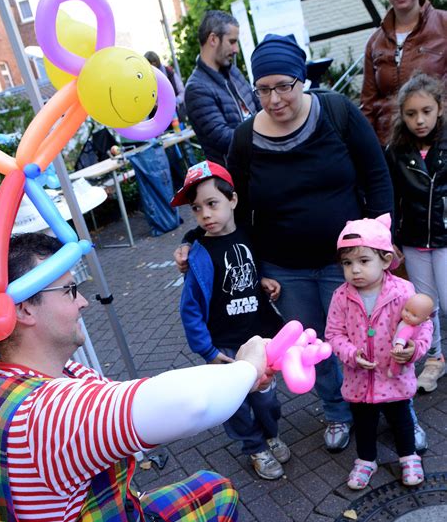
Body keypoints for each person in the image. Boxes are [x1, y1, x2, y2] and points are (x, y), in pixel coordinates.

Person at [0, 234, 272, 522]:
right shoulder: (44, 415)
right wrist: (248, 367)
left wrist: (231, 378)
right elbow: (192, 404)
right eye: (70, 290)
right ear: (23, 309)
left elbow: (124, 400)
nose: (84, 303)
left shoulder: (0, 379)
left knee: (214, 492)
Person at [175, 33, 394, 452]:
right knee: (316, 345)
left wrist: (383, 240)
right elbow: (230, 203)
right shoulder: (244, 139)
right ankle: (336, 411)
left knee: (366, 337)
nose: (273, 99)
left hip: (348, 262)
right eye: (262, 89)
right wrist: (193, 240)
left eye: (283, 86)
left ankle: (390, 408)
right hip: (285, 268)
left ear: (302, 79)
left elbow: (377, 175)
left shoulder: (337, 112)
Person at [172, 160, 288, 480]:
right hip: (224, 345)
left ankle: (271, 433)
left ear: (232, 200)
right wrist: (207, 352)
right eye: (197, 208)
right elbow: (190, 308)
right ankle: (254, 448)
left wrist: (264, 281)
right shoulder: (198, 254)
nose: (205, 214)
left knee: (267, 399)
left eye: (212, 204)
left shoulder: (248, 234)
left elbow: (249, 270)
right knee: (235, 406)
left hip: (258, 339)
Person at [325, 214, 432, 490]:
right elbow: (334, 334)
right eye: (347, 263)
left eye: (363, 261)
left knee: (401, 417)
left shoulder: (402, 290)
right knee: (364, 422)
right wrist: (350, 354)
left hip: (394, 374)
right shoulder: (341, 296)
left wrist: (413, 350)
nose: (355, 270)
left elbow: (422, 324)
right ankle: (366, 460)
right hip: (359, 378)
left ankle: (408, 456)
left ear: (385, 260)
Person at [386, 72, 446, 392]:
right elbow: (390, 195)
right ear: (402, 115)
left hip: (445, 238)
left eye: (426, 111)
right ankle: (435, 358)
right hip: (413, 240)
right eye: (411, 114)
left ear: (440, 107)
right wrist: (391, 238)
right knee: (425, 304)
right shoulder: (395, 149)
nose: (419, 120)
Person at [360, 0, 447, 146]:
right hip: (391, 152)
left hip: (439, 146)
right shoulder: (375, 42)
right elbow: (367, 108)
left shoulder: (444, 26)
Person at [184, 10, 259, 166]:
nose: (236, 49)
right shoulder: (196, 88)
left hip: (260, 165)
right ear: (213, 39)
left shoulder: (234, 72)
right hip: (239, 179)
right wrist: (268, 134)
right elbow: (224, 139)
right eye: (232, 42)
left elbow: (258, 106)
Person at [389, 293, 434, 376]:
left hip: (401, 347)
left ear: (425, 319)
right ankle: (405, 367)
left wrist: (399, 345)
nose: (407, 315)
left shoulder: (410, 327)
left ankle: (393, 372)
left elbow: (403, 335)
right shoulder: (406, 322)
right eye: (406, 310)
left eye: (414, 315)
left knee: (396, 360)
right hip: (404, 347)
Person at [144, 50, 186, 123]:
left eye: (153, 64)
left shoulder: (169, 72)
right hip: (158, 120)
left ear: (156, 62)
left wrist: (173, 101)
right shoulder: (145, 80)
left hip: (176, 116)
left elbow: (182, 92)